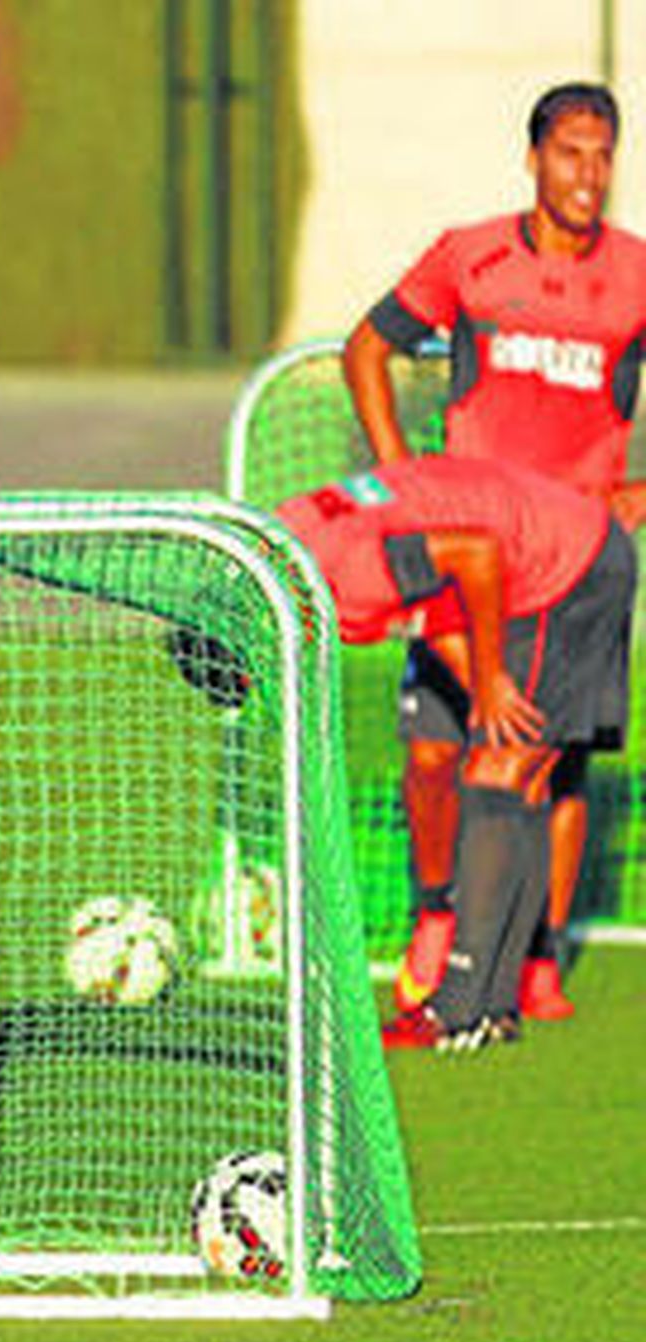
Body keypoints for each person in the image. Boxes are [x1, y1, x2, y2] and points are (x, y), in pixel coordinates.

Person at [343, 81, 646, 1021]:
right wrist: (402, 480)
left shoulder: (636, 273)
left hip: (574, 560)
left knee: (552, 764)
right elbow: (366, 349)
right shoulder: (469, 256)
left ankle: (536, 956)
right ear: (533, 158)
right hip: (464, 547)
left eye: (603, 154)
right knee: (436, 750)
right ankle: (440, 912)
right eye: (569, 152)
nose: (587, 173)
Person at [277, 456, 636, 1050]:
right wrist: (481, 688)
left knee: (496, 773)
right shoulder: (286, 543)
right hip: (560, 551)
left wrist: (491, 677)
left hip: (564, 568)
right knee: (519, 773)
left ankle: (457, 1011)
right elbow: (434, 607)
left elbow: (475, 554)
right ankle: (493, 1007)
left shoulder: (342, 579)